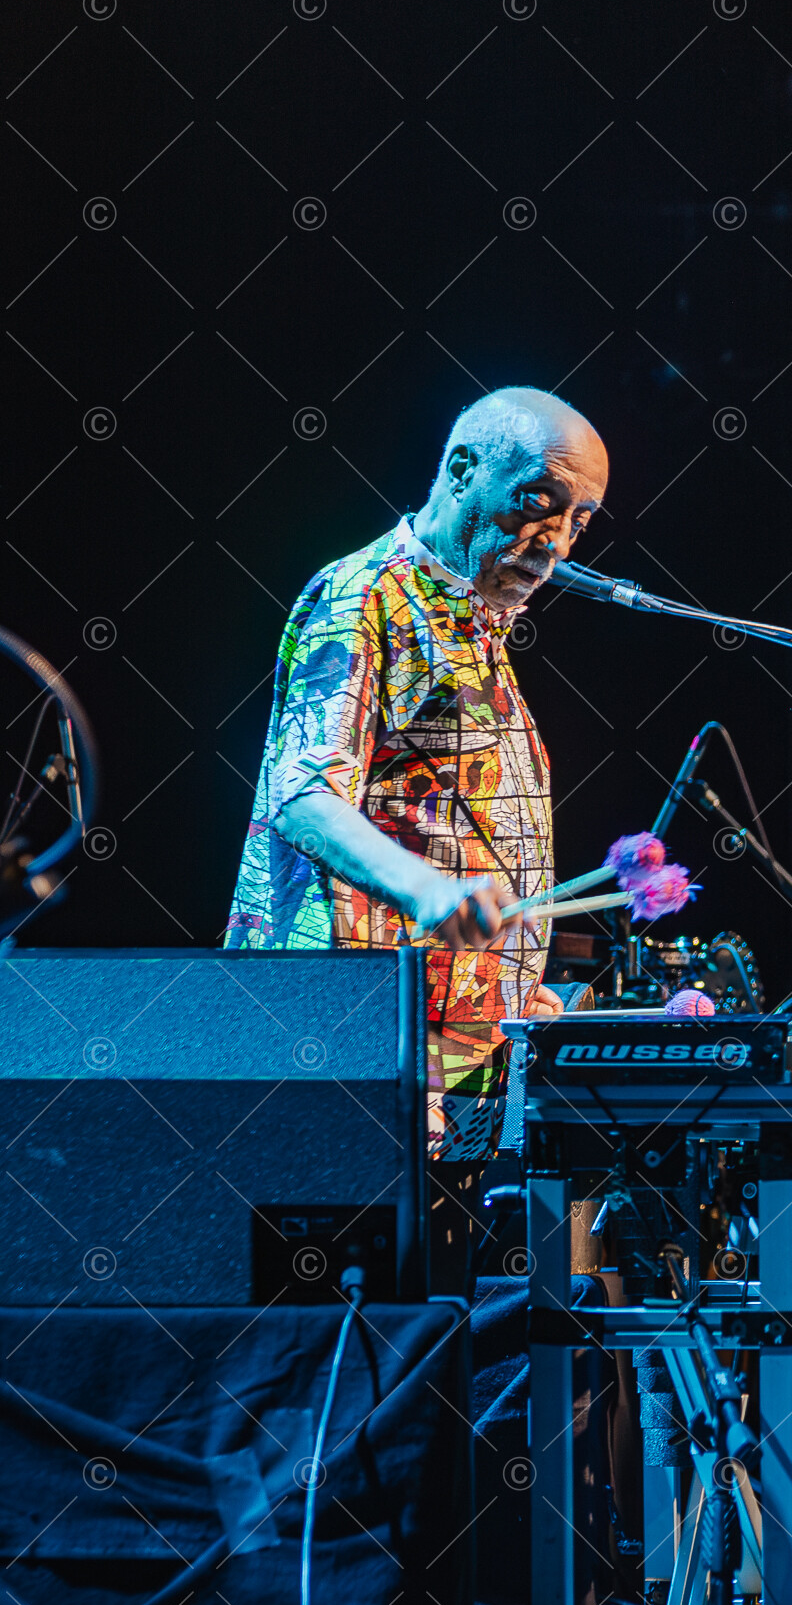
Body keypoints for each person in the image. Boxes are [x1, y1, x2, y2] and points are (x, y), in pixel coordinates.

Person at [225, 385, 609, 1160]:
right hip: (354, 1039)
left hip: (451, 1050)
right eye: (539, 502)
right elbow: (300, 795)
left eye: (579, 520)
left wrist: (510, 988)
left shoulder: (476, 626)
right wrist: (426, 890)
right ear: (462, 470)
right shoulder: (362, 594)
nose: (557, 545)